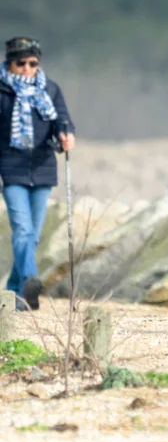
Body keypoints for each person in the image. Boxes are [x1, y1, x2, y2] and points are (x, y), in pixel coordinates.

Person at [0, 37, 75, 311]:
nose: (27, 69)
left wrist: (66, 133)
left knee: (33, 235)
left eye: (33, 63)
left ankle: (14, 293)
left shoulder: (50, 89)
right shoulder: (2, 91)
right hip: (11, 170)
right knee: (22, 229)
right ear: (10, 63)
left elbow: (62, 118)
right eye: (21, 63)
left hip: (43, 169)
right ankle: (31, 278)